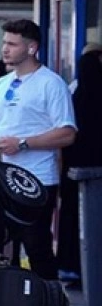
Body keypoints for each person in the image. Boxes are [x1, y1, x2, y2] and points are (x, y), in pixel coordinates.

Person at [0, 19, 78, 280]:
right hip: (1, 181)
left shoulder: (51, 83)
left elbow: (67, 133)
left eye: (12, 44)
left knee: (38, 249)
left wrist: (23, 143)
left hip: (37, 181)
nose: (5, 49)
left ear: (32, 48)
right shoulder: (1, 84)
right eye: (4, 43)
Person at [60, 47, 102, 287]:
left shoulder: (75, 93)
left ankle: (70, 266)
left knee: (72, 217)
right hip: (95, 170)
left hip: (73, 168)